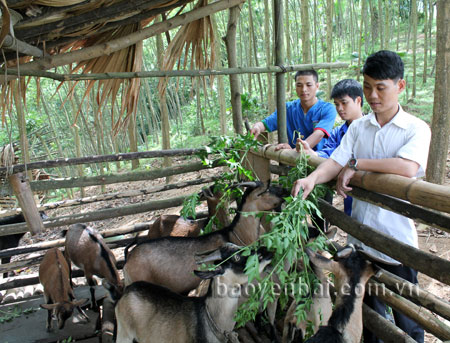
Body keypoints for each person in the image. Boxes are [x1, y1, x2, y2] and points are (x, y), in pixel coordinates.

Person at [291, 50, 429, 343]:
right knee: (368, 316)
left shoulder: (416, 129)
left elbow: (406, 167)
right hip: (361, 241)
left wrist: (358, 164)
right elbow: (336, 160)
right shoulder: (360, 127)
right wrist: (313, 178)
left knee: (409, 323)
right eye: (368, 87)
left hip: (397, 243)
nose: (372, 95)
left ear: (399, 86)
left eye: (381, 87)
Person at [297, 79, 364, 216]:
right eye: (337, 104)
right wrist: (312, 154)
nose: (340, 108)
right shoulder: (338, 132)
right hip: (349, 193)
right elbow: (330, 154)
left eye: (344, 103)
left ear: (358, 101)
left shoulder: (372, 130)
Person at [250, 70, 337, 151]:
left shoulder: (327, 109)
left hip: (320, 159)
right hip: (294, 161)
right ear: (295, 87)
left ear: (317, 86)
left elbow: (319, 134)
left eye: (309, 85)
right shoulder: (288, 108)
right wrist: (258, 126)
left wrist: (295, 151)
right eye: (299, 85)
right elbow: (267, 123)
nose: (304, 89)